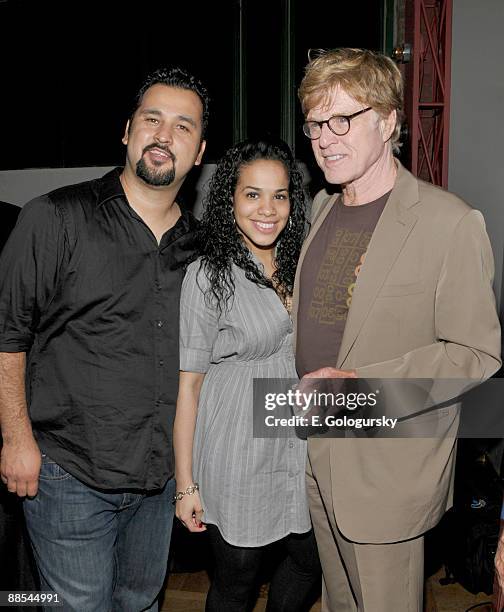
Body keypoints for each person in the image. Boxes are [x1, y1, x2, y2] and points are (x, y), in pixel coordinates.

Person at [293, 48, 501, 611]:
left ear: (388, 121)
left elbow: (475, 354)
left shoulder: (449, 222)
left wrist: (359, 382)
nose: (323, 137)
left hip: (387, 467)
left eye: (342, 119)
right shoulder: (320, 208)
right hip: (319, 450)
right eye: (314, 122)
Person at [0, 66, 208, 611]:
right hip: (69, 472)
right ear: (127, 130)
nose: (164, 135)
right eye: (152, 119)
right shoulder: (54, 217)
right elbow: (8, 335)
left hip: (159, 477)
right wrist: (17, 439)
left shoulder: (202, 249)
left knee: (140, 601)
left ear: (200, 151)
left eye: (183, 127)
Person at [174, 138, 321, 611]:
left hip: (297, 433)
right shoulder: (207, 274)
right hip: (237, 439)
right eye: (252, 194)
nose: (267, 209)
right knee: (238, 576)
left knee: (309, 557)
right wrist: (186, 485)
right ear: (230, 199)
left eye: (279, 195)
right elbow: (189, 387)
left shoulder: (302, 263)